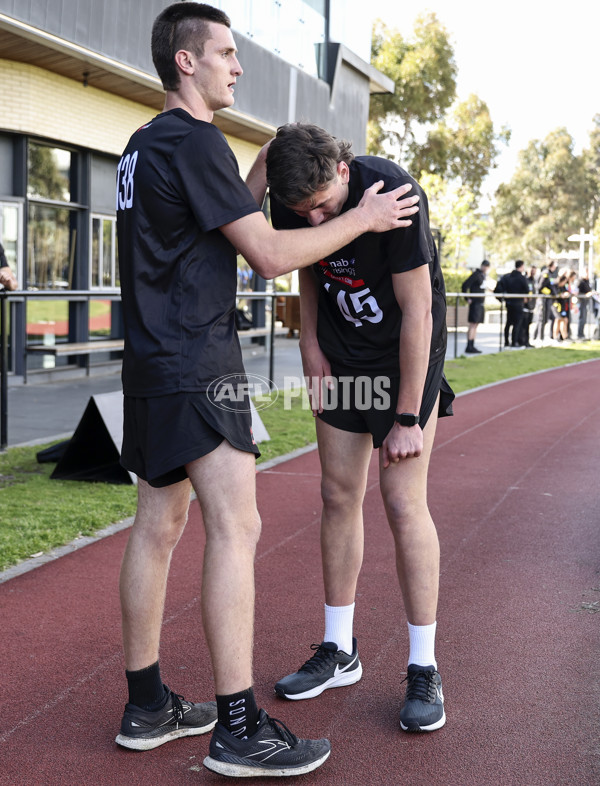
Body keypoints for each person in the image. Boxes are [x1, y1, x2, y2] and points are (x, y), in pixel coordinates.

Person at [114, 3, 419, 779]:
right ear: (187, 62)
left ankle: (147, 703)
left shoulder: (143, 144)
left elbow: (223, 220)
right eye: (225, 52)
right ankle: (238, 727)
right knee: (237, 528)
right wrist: (367, 218)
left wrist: (257, 167)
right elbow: (271, 257)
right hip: (197, 363)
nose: (236, 66)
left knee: (158, 525)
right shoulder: (193, 138)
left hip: (151, 362)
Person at [264, 122, 455, 733]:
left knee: (402, 502)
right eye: (303, 212)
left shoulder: (394, 193)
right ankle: (340, 649)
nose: (316, 222)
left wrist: (406, 416)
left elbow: (418, 313)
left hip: (404, 357)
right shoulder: (297, 195)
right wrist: (310, 347)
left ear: (344, 172)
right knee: (337, 494)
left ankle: (424, 666)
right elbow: (307, 270)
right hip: (343, 358)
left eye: (323, 206)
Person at [496, 260, 530, 348]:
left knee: (508, 323)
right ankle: (514, 342)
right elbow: (527, 290)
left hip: (509, 303)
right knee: (517, 323)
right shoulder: (521, 278)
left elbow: (498, 288)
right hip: (518, 303)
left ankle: (506, 341)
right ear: (522, 266)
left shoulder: (507, 276)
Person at [461, 260, 490, 353]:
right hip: (475, 303)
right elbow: (465, 285)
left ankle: (472, 344)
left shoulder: (483, 276)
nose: (485, 268)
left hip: (480, 303)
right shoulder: (476, 274)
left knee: (476, 325)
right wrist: (467, 298)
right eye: (484, 266)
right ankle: (469, 346)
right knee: (473, 324)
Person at [533, 260, 558, 343]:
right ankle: (539, 338)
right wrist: (548, 293)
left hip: (548, 300)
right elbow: (540, 287)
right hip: (543, 300)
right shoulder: (546, 273)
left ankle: (536, 337)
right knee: (542, 319)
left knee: (545, 319)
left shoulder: (550, 274)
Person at [577, 271, 593, 339]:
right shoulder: (580, 282)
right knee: (582, 318)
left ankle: (582, 334)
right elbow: (577, 292)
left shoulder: (587, 281)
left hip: (586, 302)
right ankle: (580, 334)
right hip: (581, 302)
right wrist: (586, 295)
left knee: (584, 318)